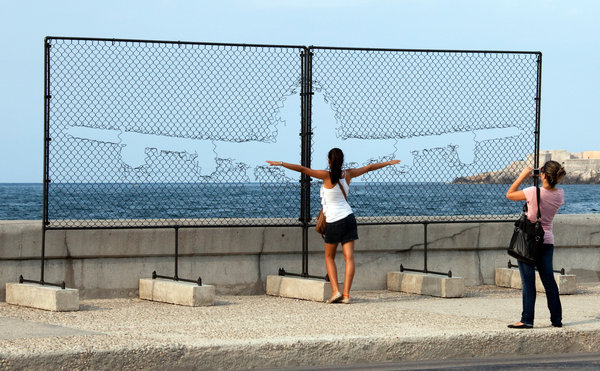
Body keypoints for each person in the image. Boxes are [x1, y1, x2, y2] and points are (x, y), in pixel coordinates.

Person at [267, 148, 401, 304]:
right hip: (349, 218)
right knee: (349, 258)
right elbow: (369, 167)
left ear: (329, 161)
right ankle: (346, 295)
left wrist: (281, 163)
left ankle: (336, 291)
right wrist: (388, 163)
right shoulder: (348, 174)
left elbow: (303, 169)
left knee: (329, 257)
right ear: (342, 160)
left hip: (334, 222)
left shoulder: (325, 176)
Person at [505, 160, 567, 328]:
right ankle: (556, 320)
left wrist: (523, 176)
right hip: (547, 241)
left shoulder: (533, 191)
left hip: (529, 241)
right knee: (549, 282)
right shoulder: (559, 194)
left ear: (543, 175)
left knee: (528, 282)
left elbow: (509, 194)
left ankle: (527, 320)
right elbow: (548, 195)